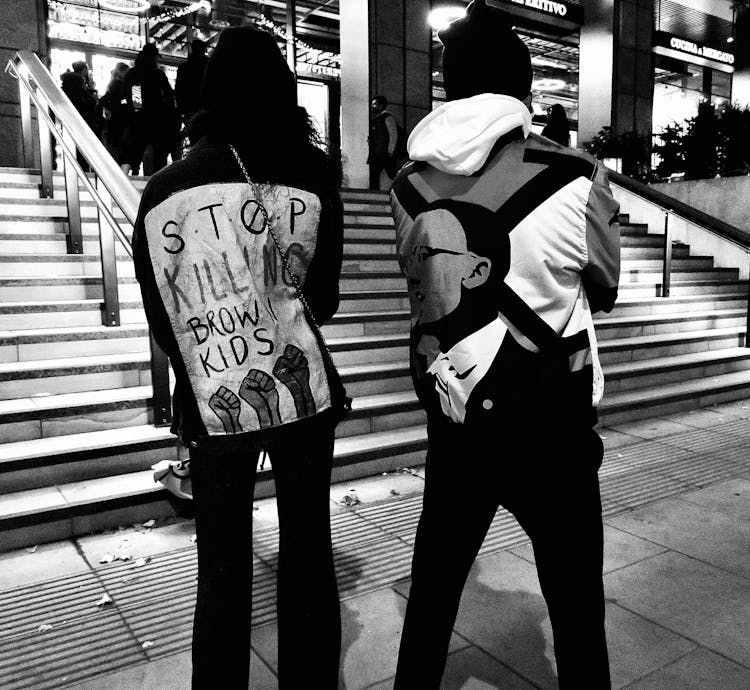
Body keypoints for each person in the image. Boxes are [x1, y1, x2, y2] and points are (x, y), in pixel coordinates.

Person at [390, 1, 621, 688]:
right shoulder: (578, 178)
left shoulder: (406, 185)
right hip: (551, 427)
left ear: (449, 82)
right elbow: (604, 286)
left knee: (432, 595)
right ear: (520, 88)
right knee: (577, 605)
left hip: (458, 421)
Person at [132, 26, 345, 689]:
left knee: (221, 567)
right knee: (307, 556)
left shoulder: (164, 190)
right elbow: (326, 300)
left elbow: (164, 320)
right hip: (301, 395)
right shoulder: (313, 174)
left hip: (213, 403)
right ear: (283, 90)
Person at [122, 43, 177, 175]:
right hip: (157, 117)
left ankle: (133, 173)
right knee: (159, 151)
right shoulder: (157, 74)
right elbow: (168, 95)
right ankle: (156, 176)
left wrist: (136, 111)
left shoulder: (133, 73)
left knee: (136, 147)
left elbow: (133, 92)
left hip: (138, 116)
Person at [60, 60, 100, 171]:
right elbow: (88, 104)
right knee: (83, 156)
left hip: (71, 125)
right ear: (83, 70)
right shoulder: (78, 86)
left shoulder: (66, 87)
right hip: (83, 126)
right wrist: (92, 93)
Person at [174, 38, 209, 160]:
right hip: (205, 107)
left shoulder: (184, 67)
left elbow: (179, 89)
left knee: (192, 136)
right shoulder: (207, 65)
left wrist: (181, 108)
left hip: (188, 107)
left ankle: (192, 159)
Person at [98, 62, 130, 169]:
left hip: (114, 121)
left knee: (114, 147)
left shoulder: (112, 84)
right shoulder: (123, 85)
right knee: (122, 150)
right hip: (121, 120)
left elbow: (103, 100)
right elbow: (135, 105)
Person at [367, 94, 398, 189]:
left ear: (381, 105)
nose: (372, 106)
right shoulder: (378, 119)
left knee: (391, 174)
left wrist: (390, 150)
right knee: (375, 175)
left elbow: (393, 135)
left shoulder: (387, 118)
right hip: (378, 152)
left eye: (374, 104)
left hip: (384, 152)